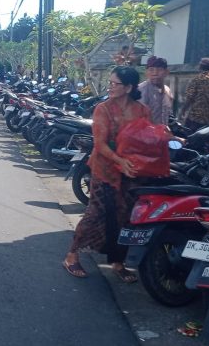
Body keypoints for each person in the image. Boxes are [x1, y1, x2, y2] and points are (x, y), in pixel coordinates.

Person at [63, 66, 151, 283]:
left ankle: (118, 262)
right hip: (105, 170)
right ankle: (72, 255)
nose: (110, 87)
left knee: (124, 217)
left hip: (130, 171)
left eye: (114, 84)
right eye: (109, 83)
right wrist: (120, 160)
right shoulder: (103, 109)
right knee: (96, 213)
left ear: (128, 87)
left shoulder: (142, 110)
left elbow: (145, 138)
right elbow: (100, 144)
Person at [179, 58, 209, 131]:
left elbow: (189, 98)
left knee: (188, 135)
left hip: (195, 117)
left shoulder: (196, 80)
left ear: (200, 67)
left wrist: (183, 110)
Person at [138, 56, 173, 125]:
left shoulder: (167, 91)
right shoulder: (140, 90)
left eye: (159, 70)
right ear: (146, 72)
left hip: (163, 130)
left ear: (166, 72)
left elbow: (168, 114)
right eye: (151, 70)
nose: (155, 73)